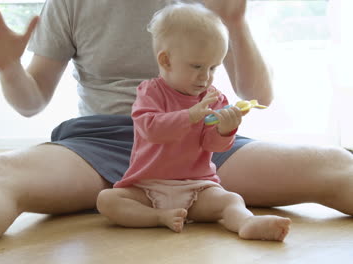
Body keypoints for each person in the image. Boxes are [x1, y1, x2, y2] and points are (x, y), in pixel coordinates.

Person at [0, 0, 351, 257]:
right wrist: (9, 67)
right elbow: (31, 103)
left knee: (330, 163)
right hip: (98, 140)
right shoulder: (70, 3)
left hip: (201, 137)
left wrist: (234, 21)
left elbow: (258, 96)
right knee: (1, 173)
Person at [96, 3, 291, 241]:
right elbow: (151, 129)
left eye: (212, 67)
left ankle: (246, 222)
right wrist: (192, 114)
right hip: (147, 186)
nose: (205, 76)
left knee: (231, 200)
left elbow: (213, 146)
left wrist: (225, 129)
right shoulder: (150, 91)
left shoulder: (215, 98)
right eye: (197, 66)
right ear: (166, 60)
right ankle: (158, 217)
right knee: (107, 200)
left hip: (197, 187)